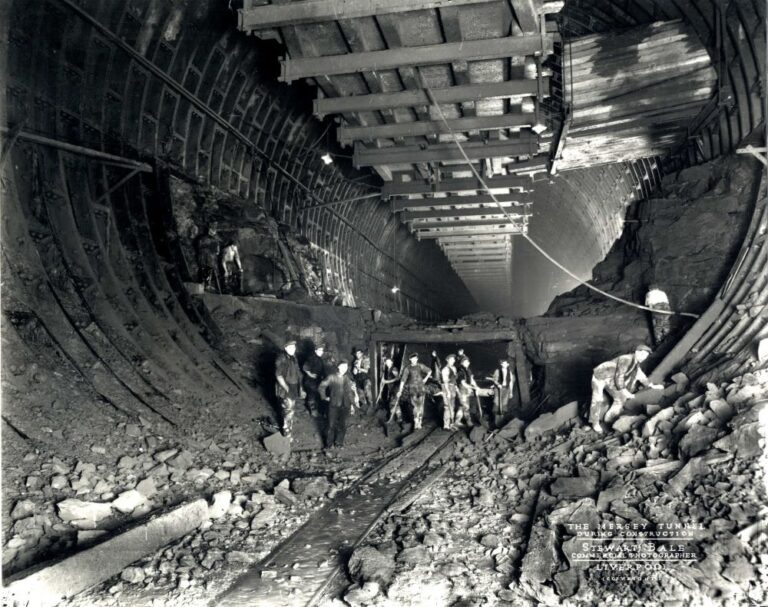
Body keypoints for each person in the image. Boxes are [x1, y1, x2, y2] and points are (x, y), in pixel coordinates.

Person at [588, 344, 664, 433]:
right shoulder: (626, 359)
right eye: (642, 354)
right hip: (600, 376)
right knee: (597, 399)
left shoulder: (635, 364)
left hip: (611, 379)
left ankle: (610, 418)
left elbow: (641, 376)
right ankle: (595, 423)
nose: (644, 358)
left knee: (620, 399)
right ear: (636, 352)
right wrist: (625, 391)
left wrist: (652, 385)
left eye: (646, 356)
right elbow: (619, 376)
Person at [318, 360, 358, 449]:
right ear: (338, 367)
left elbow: (350, 393)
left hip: (346, 405)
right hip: (334, 404)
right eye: (343, 367)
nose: (344, 369)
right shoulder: (332, 377)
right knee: (331, 425)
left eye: (346, 367)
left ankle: (339, 443)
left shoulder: (347, 378)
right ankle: (328, 445)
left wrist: (352, 404)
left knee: (343, 425)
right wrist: (324, 397)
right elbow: (321, 387)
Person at [274, 339, 303, 439]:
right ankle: (287, 434)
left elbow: (297, 372)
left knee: (291, 409)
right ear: (285, 348)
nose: (292, 349)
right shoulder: (281, 358)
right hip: (286, 387)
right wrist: (286, 387)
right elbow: (278, 375)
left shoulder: (293, 357)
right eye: (290, 347)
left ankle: (288, 431)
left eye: (294, 347)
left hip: (293, 386)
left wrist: (300, 387)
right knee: (288, 411)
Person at [396, 352, 432, 430]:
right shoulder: (407, 368)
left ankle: (420, 422)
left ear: (417, 359)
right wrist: (400, 390)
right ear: (410, 359)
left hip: (421, 388)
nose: (414, 360)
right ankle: (416, 422)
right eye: (412, 359)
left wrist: (425, 379)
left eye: (415, 358)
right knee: (415, 406)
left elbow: (429, 371)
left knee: (421, 405)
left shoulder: (420, 366)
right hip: (412, 389)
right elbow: (403, 380)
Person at [488, 359, 515, 428]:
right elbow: (494, 380)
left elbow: (511, 382)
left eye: (506, 364)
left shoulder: (510, 372)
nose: (505, 365)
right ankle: (495, 422)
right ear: (501, 364)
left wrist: (511, 392)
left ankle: (502, 421)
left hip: (506, 389)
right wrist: (498, 384)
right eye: (503, 363)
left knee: (504, 404)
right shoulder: (497, 371)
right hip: (498, 389)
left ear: (508, 364)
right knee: (497, 404)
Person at [302, 343, 326, 418]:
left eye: (322, 350)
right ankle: (313, 412)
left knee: (316, 395)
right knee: (312, 395)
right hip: (310, 381)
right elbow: (305, 367)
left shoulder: (320, 359)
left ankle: (317, 411)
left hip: (316, 381)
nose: (321, 352)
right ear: (315, 351)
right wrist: (311, 375)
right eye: (320, 350)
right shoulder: (311, 358)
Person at [456, 356, 480, 427]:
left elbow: (472, 380)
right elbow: (463, 383)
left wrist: (476, 386)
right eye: (466, 362)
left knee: (461, 406)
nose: (468, 363)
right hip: (462, 390)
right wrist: (472, 387)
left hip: (467, 391)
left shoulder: (468, 370)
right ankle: (468, 422)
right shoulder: (460, 371)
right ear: (462, 363)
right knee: (466, 406)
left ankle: (457, 421)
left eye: (468, 362)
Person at [197, 223, 220, 292]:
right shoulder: (213, 240)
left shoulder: (202, 239)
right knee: (207, 270)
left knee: (205, 270)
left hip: (205, 258)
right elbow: (217, 251)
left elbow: (216, 251)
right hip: (208, 258)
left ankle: (204, 284)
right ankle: (206, 285)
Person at [440, 353, 459, 430]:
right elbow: (445, 381)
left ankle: (452, 423)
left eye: (454, 359)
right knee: (447, 407)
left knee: (452, 406)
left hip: (453, 388)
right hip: (447, 388)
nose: (453, 360)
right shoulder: (445, 369)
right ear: (448, 360)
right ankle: (446, 425)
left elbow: (454, 379)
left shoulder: (454, 368)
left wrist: (456, 387)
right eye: (452, 359)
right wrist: (447, 392)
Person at [351, 348, 373, 413]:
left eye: (359, 353)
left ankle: (371, 405)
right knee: (360, 392)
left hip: (366, 378)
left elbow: (366, 370)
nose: (357, 355)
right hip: (358, 378)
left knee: (367, 389)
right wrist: (355, 369)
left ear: (362, 353)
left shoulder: (366, 359)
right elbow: (354, 373)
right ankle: (364, 406)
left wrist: (359, 368)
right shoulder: (355, 361)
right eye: (356, 353)